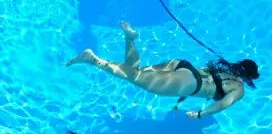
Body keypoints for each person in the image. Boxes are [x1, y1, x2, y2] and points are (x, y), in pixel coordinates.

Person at [66, 21, 260, 119]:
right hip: (189, 82)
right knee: (133, 77)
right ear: (249, 77)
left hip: (182, 66)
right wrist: (201, 114)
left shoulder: (224, 69)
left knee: (135, 70)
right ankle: (92, 59)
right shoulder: (239, 88)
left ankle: (130, 38)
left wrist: (183, 91)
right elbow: (222, 105)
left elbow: (202, 75)